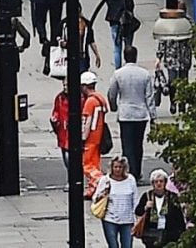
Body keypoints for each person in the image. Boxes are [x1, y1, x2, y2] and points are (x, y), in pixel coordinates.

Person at [54, 77, 107, 208]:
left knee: (87, 166)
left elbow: (87, 122)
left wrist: (82, 137)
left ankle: (101, 182)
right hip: (99, 136)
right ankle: (92, 188)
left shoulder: (89, 102)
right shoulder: (100, 98)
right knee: (95, 163)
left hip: (91, 138)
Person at [105, 56, 158, 174]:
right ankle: (137, 171)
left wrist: (113, 105)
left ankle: (128, 171)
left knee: (127, 145)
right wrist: (153, 115)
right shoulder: (144, 74)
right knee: (138, 144)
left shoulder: (118, 74)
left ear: (125, 57)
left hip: (125, 114)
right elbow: (149, 96)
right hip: (141, 114)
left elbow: (112, 93)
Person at [92, 154, 141, 248]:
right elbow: (95, 198)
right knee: (113, 245)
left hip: (127, 220)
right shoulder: (105, 180)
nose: (118, 169)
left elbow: (135, 200)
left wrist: (137, 217)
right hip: (110, 219)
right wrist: (103, 194)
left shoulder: (131, 179)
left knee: (127, 245)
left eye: (120, 167)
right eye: (115, 167)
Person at [135, 170, 187, 246]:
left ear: (165, 182)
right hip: (151, 234)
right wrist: (145, 207)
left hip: (170, 234)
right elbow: (138, 211)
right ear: (153, 184)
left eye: (161, 181)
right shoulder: (147, 196)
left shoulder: (172, 196)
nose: (159, 184)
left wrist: (182, 233)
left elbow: (179, 216)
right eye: (156, 182)